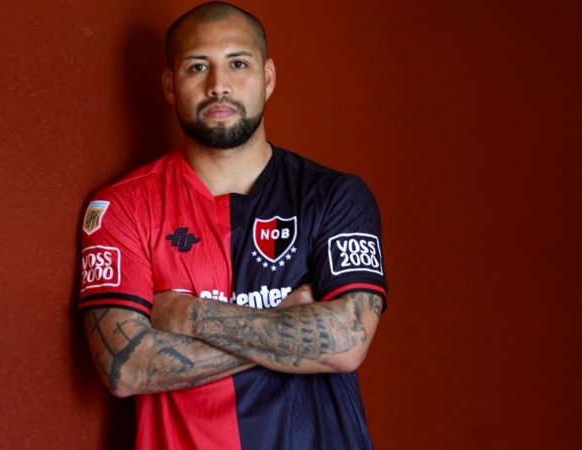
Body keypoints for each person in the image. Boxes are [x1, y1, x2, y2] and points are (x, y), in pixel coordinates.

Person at [78, 2, 388, 449]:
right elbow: (124, 367)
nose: (218, 85)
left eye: (238, 63)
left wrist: (188, 315)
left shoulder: (335, 196)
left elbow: (346, 342)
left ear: (268, 77)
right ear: (169, 85)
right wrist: (288, 328)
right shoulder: (123, 206)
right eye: (197, 66)